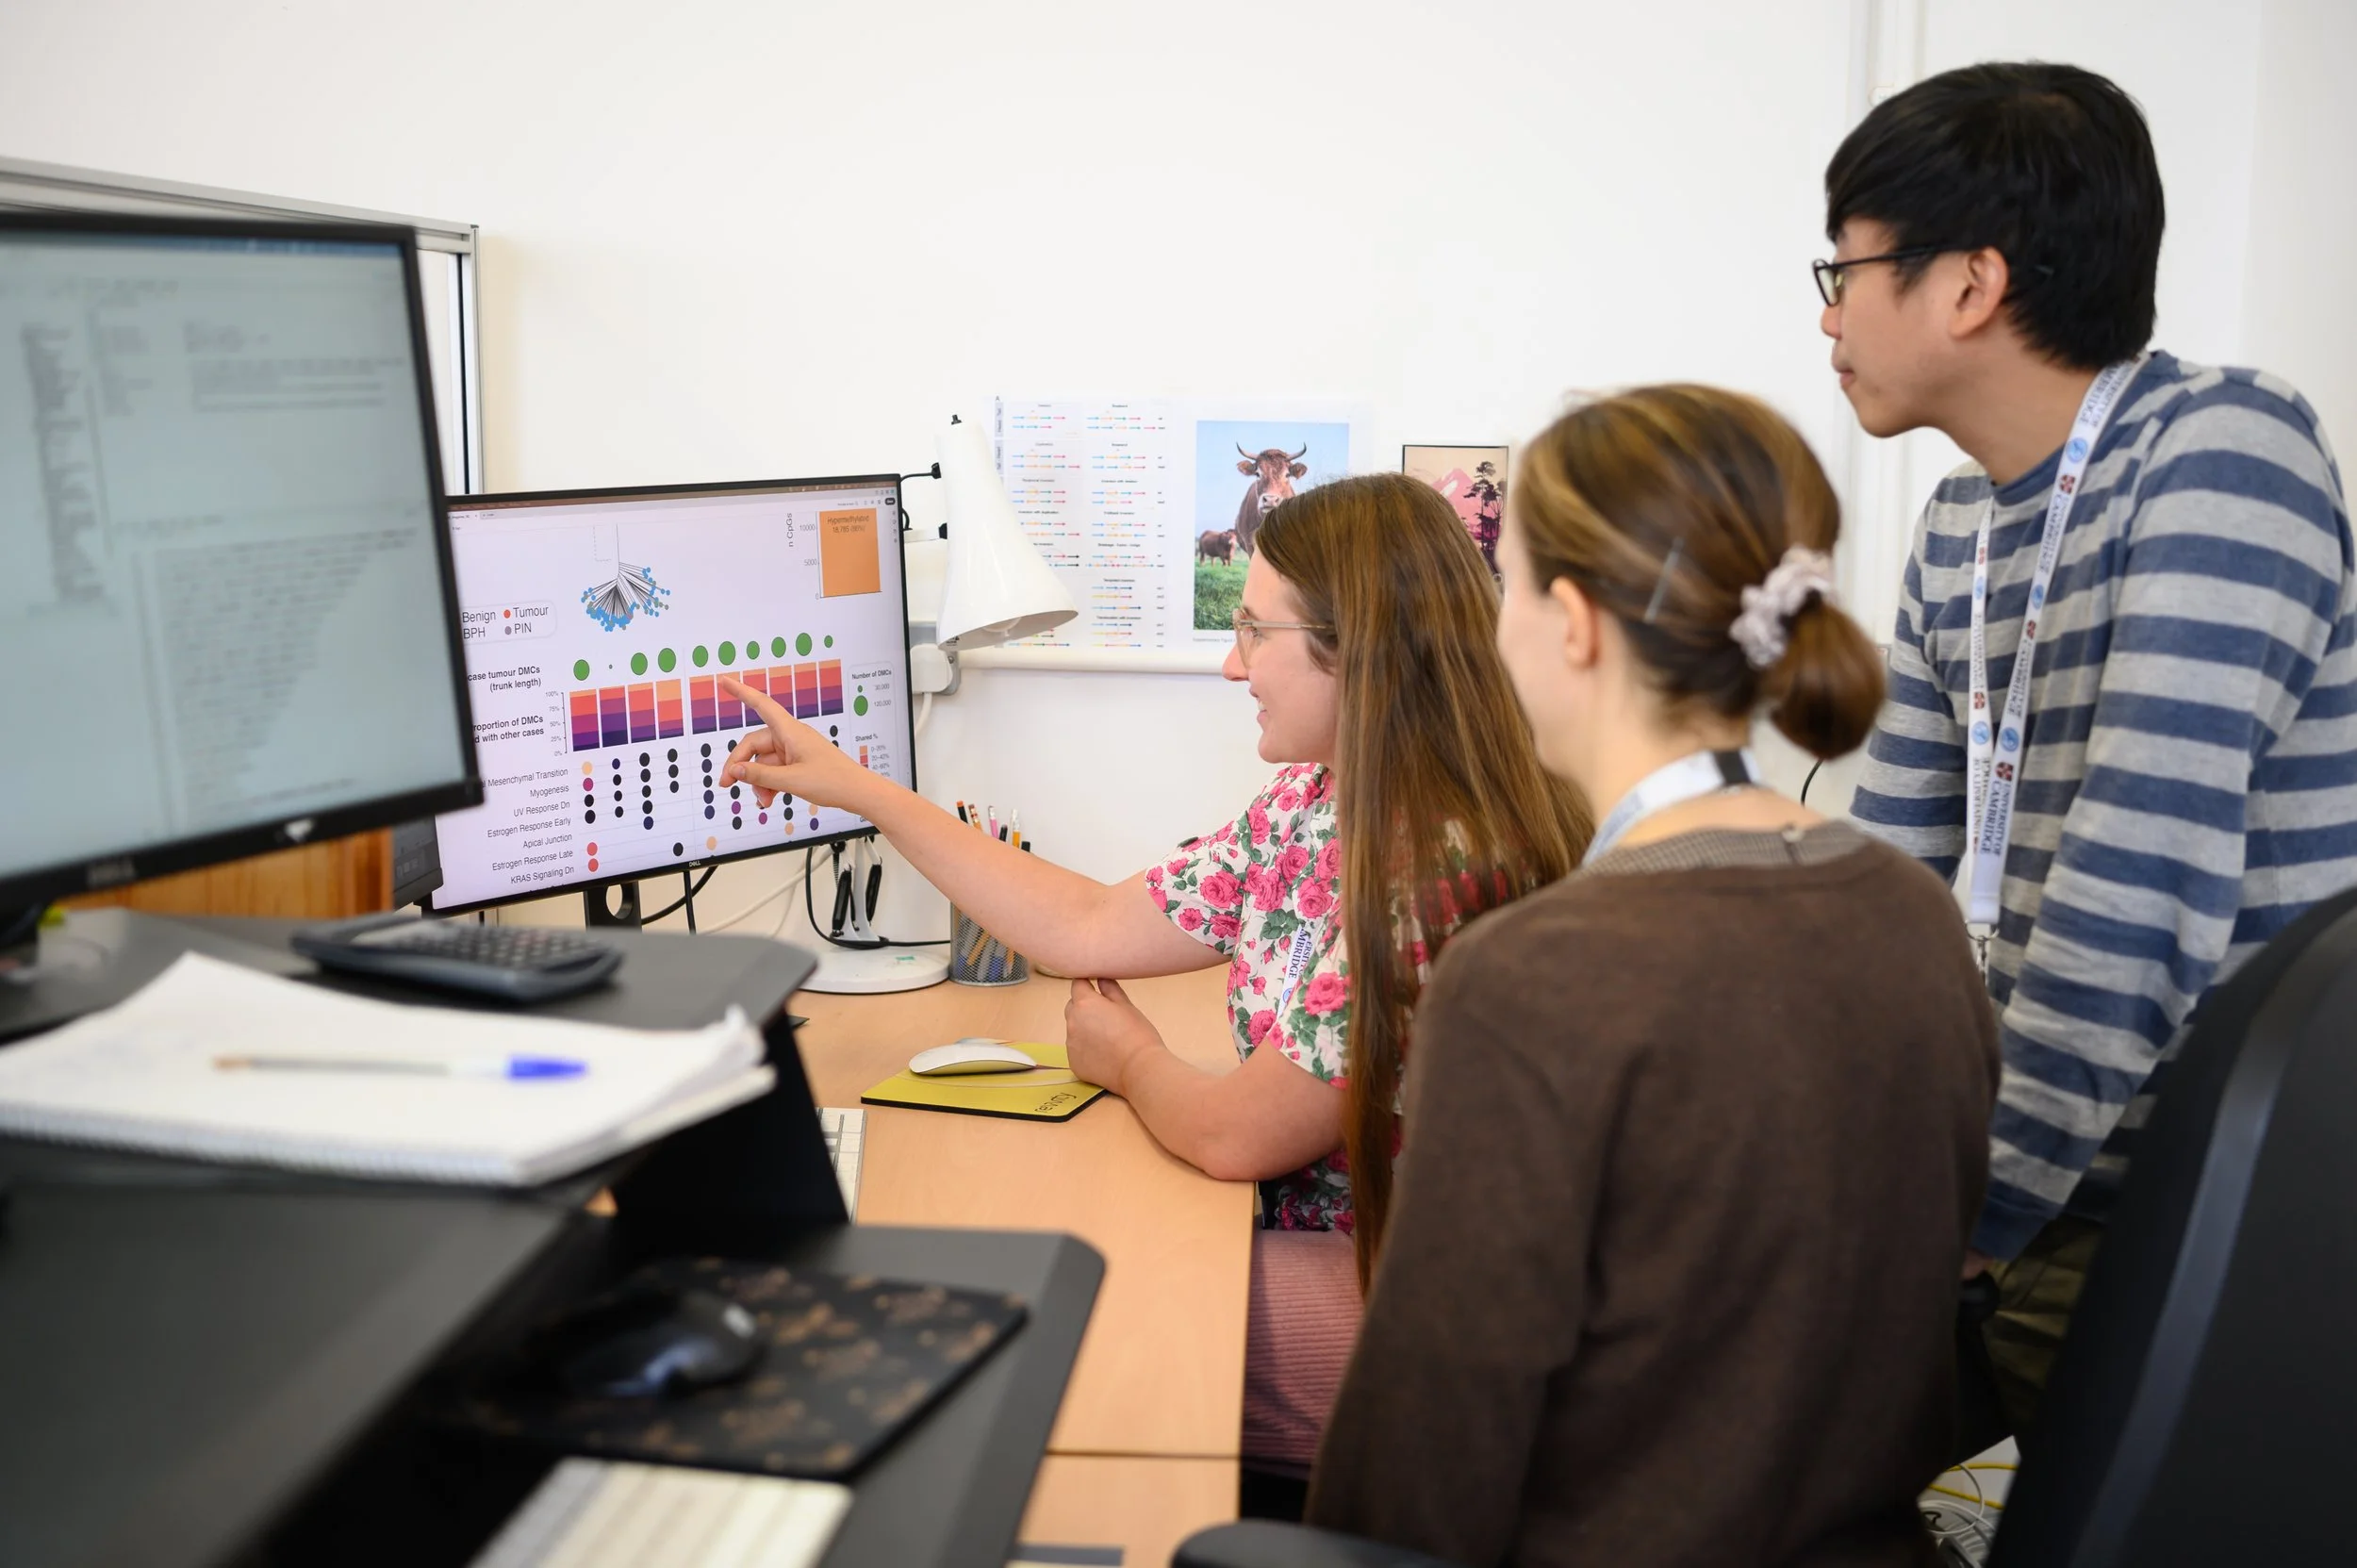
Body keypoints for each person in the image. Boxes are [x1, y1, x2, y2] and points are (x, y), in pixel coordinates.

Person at [717, 471, 1586, 1474]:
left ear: (1358, 652)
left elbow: (1234, 1132)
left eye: (1255, 632)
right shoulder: (1313, 806)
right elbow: (1086, 923)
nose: (1230, 665)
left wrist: (1129, 1059)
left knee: (1071, 1339)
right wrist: (864, 790)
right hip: (1325, 1236)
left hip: (1429, 1304)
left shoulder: (1435, 866)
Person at [1306, 386, 1998, 1566]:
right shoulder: (1915, 915)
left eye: (1505, 587)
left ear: (1571, 621)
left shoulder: (1531, 979)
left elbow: (1415, 1470)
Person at [1821, 61, 2357, 1430]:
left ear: (1967, 285)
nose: (1830, 315)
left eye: (1846, 268)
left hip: (2206, 1208)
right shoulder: (1959, 526)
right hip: (2030, 1182)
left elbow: (2142, 890)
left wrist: (1970, 1209)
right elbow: (1879, 885)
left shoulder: (2227, 452)